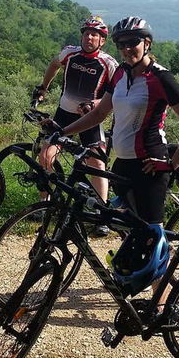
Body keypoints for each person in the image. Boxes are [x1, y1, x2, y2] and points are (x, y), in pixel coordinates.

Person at [52, 16, 179, 256]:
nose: (126, 49)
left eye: (133, 42)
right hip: (121, 163)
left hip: (149, 166)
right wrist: (62, 131)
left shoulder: (161, 78)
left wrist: (172, 164)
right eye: (121, 44)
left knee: (152, 241)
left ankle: (159, 292)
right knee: (129, 229)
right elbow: (99, 113)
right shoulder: (120, 73)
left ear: (147, 44)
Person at [33, 15, 118, 236]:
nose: (89, 37)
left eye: (94, 35)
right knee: (46, 156)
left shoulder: (108, 64)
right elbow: (53, 65)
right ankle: (46, 203)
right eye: (86, 33)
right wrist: (44, 87)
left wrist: (96, 104)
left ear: (102, 40)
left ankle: (102, 216)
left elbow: (116, 94)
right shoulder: (69, 53)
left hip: (89, 119)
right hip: (63, 115)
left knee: (97, 164)